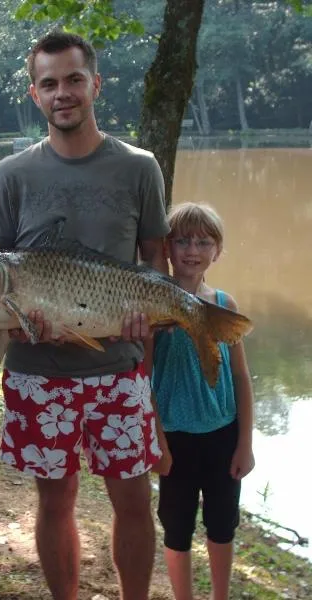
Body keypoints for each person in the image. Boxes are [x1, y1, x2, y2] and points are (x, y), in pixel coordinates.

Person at [0, 31, 170, 600]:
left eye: (73, 80)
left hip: (119, 366)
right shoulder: (12, 174)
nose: (62, 93)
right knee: (54, 500)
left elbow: (153, 266)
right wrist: (13, 324)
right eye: (49, 83)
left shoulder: (140, 168)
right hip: (39, 372)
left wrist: (148, 330)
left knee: (134, 501)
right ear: (35, 95)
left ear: (95, 85)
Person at [150, 203, 255, 600]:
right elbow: (143, 378)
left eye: (203, 241)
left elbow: (241, 377)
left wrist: (245, 443)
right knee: (177, 529)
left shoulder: (225, 306)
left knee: (222, 525)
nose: (192, 250)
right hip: (174, 437)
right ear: (167, 248)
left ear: (217, 250)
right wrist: (156, 440)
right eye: (182, 240)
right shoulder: (154, 303)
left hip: (222, 435)